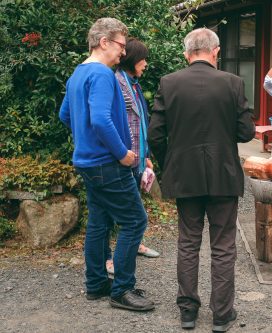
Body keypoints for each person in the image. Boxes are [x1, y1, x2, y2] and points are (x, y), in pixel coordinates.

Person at [148, 28, 255, 332]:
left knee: (188, 242)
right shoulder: (232, 83)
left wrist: (172, 161)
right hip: (223, 173)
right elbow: (246, 132)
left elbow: (155, 133)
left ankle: (187, 312)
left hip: (185, 175)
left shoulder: (169, 83)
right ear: (215, 51)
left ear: (187, 53)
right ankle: (222, 314)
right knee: (223, 246)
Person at [59, 18, 154, 312]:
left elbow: (65, 115)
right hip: (108, 163)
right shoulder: (102, 74)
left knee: (99, 223)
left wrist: (86, 140)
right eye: (121, 46)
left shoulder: (78, 73)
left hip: (88, 163)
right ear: (104, 43)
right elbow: (100, 119)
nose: (123, 53)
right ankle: (122, 290)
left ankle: (97, 283)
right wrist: (122, 152)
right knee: (134, 221)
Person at [104, 37, 159, 276]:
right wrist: (121, 153)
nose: (145, 63)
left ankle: (134, 244)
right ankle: (108, 258)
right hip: (121, 158)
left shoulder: (133, 83)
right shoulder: (116, 82)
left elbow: (140, 123)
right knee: (109, 213)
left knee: (134, 204)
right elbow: (111, 124)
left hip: (136, 155)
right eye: (143, 58)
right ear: (133, 60)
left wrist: (146, 155)